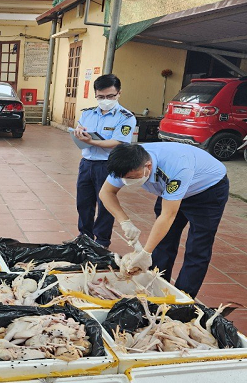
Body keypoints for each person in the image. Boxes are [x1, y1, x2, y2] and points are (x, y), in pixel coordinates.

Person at [99, 143, 229, 298]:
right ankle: (156, 288)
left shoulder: (176, 167)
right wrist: (124, 221)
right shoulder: (125, 162)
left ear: (148, 166)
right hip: (169, 192)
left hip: (206, 191)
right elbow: (106, 193)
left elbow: (168, 215)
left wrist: (146, 252)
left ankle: (181, 298)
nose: (127, 181)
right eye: (124, 178)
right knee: (163, 242)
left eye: (132, 178)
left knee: (197, 247)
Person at [71, 74, 136, 248]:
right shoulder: (88, 113)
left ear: (119, 93)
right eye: (100, 97)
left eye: (110, 96)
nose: (105, 100)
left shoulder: (126, 117)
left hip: (108, 165)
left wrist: (91, 141)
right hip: (87, 163)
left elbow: (118, 142)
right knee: (84, 202)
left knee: (106, 204)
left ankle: (101, 241)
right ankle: (83, 237)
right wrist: (79, 133)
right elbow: (79, 129)